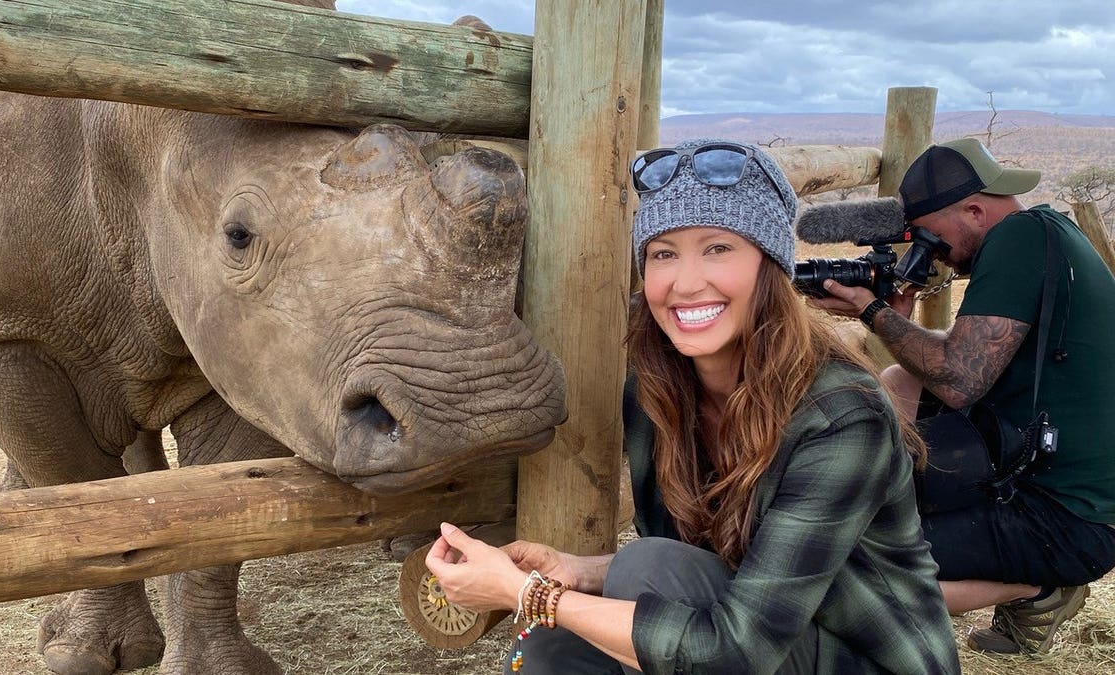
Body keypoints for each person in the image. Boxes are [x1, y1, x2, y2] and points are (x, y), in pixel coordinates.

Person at [425, 138, 960, 674]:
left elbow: (732, 649)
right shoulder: (657, 394)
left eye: (718, 248)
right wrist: (576, 572)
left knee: (635, 572)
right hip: (773, 637)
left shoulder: (843, 417)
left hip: (868, 661)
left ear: (770, 267)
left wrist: (527, 593)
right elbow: (711, 570)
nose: (684, 283)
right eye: (663, 254)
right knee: (550, 646)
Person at [810, 138, 1115, 655]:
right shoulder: (1044, 232)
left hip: (1070, 520)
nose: (931, 253)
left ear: (974, 210)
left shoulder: (1019, 238)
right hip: (1029, 462)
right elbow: (963, 357)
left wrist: (871, 312)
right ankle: (893, 502)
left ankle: (1037, 587)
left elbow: (959, 380)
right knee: (899, 380)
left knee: (861, 562)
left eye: (931, 237)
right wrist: (897, 323)